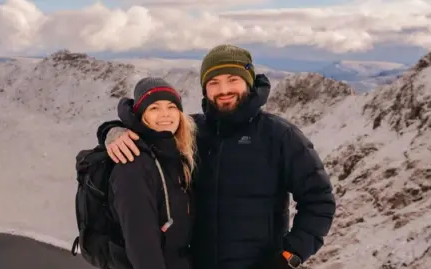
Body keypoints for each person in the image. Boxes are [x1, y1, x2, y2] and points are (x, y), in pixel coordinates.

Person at [99, 45, 336, 269]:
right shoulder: (190, 132)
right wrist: (112, 130)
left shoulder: (280, 135)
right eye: (214, 82)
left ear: (249, 83)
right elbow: (151, 129)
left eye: (233, 80)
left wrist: (290, 255)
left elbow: (319, 200)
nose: (224, 90)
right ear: (205, 89)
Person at [97, 77, 196, 269]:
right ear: (141, 116)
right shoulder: (133, 163)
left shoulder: (174, 154)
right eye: (154, 108)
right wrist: (110, 131)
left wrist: (108, 129)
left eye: (171, 107)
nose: (165, 114)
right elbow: (141, 246)